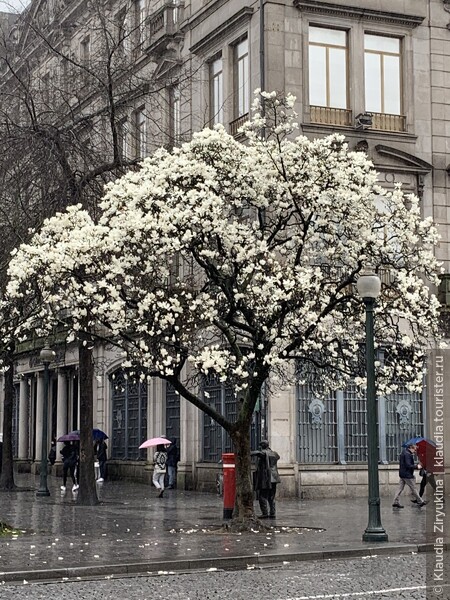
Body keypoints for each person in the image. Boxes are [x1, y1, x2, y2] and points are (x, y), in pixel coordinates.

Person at [251, 440, 281, 519]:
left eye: (261, 446)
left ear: (263, 446)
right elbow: (278, 457)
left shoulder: (264, 453)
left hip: (266, 478)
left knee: (262, 496)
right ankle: (272, 512)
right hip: (274, 477)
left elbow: (257, 453)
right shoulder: (275, 453)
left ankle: (264, 513)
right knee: (271, 496)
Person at [392, 443, 426, 508]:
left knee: (399, 488)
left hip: (402, 473)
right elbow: (408, 465)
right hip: (407, 475)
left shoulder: (404, 452)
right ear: (411, 448)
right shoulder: (407, 454)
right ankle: (420, 501)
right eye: (415, 449)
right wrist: (416, 466)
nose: (415, 451)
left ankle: (395, 502)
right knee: (413, 488)